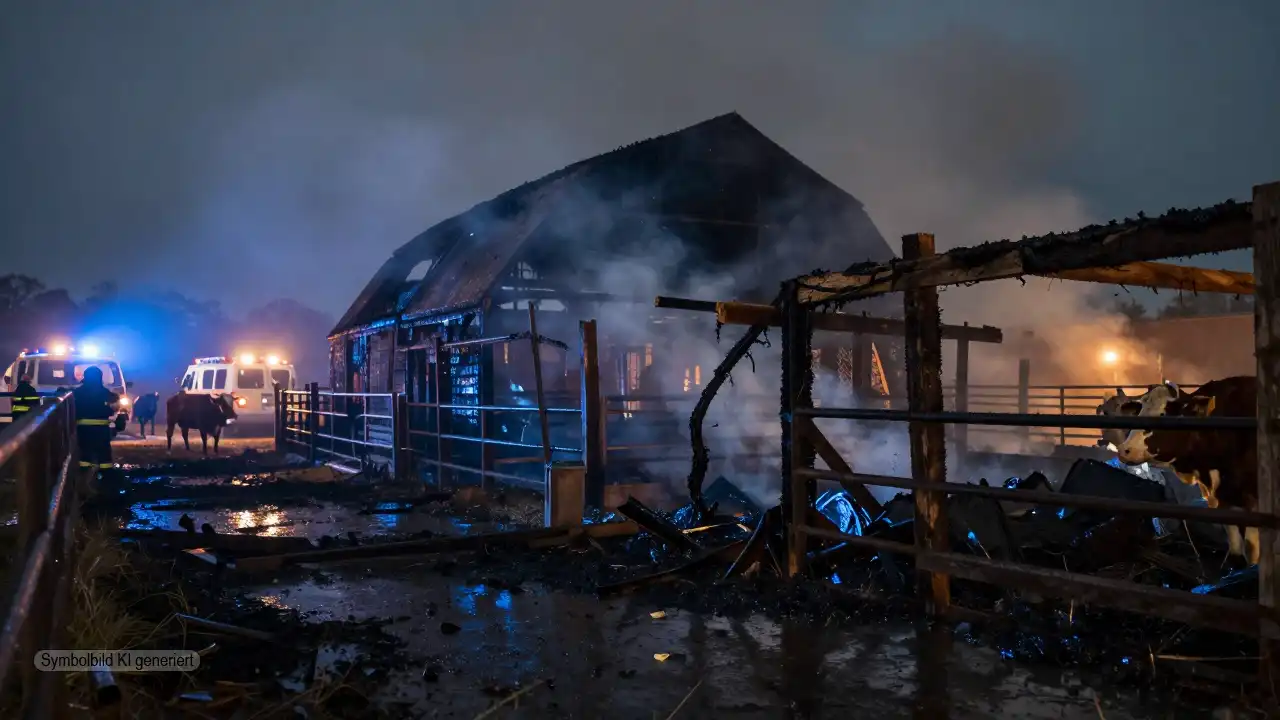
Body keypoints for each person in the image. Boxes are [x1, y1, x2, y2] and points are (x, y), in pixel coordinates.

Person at [72, 365, 118, 473]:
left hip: (83, 429)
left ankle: (84, 476)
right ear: (100, 377)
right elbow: (114, 407)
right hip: (102, 429)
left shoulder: (77, 392)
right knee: (104, 454)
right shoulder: (106, 393)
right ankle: (106, 477)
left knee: (85, 453)